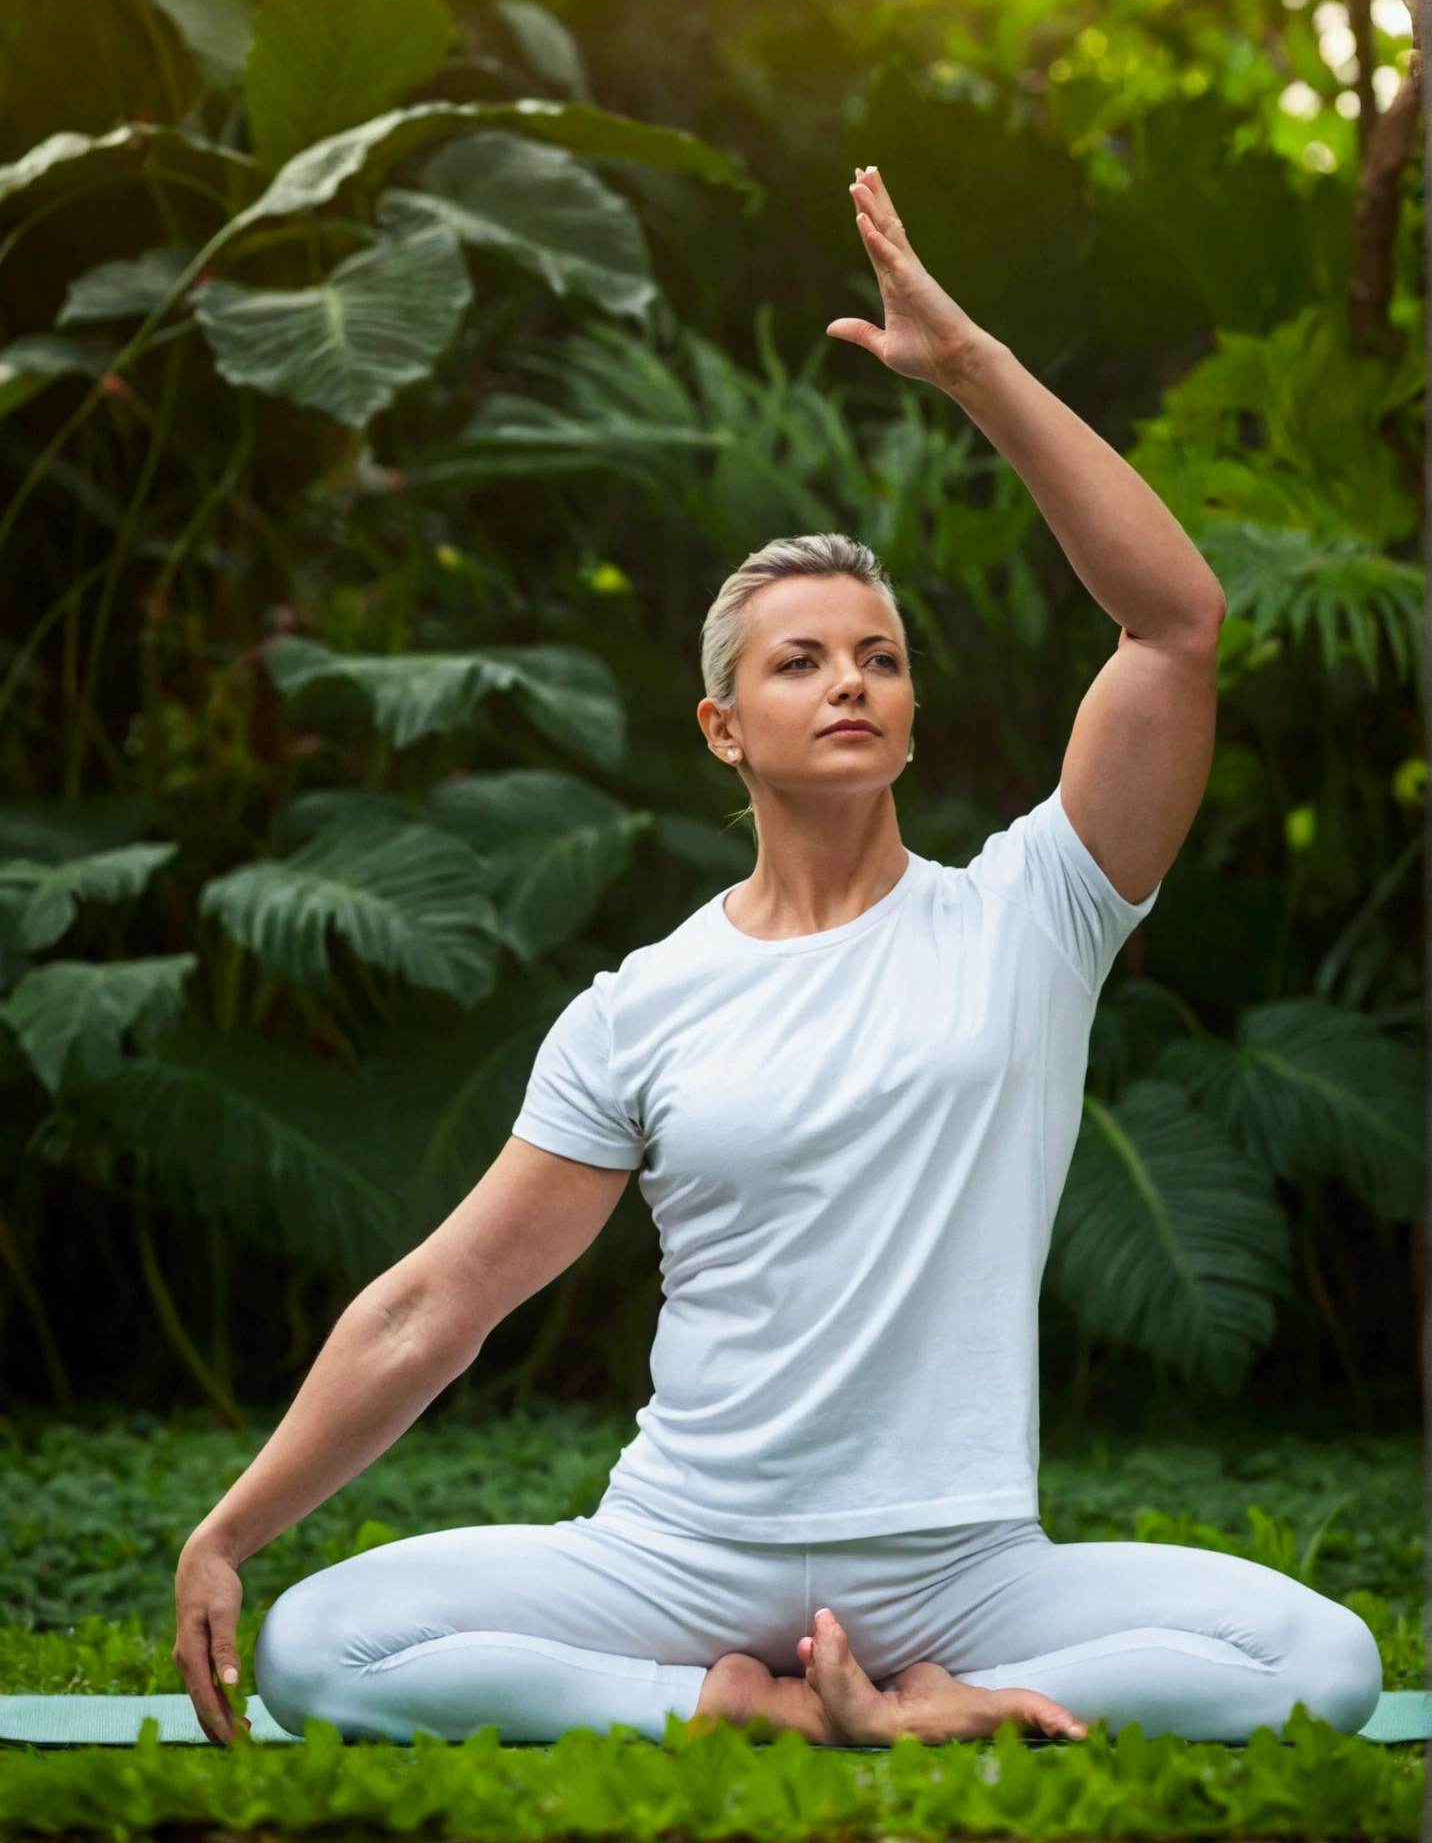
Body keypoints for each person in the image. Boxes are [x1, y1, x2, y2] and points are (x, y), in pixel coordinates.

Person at [174, 168, 1381, 1753]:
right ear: (723, 730)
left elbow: (1174, 626)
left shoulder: (1036, 913)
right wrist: (231, 1531)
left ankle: (937, 1703)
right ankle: (729, 1705)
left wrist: (970, 371)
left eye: (880, 656)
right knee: (325, 1646)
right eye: (799, 660)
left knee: (1322, 1659)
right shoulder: (642, 1006)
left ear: (910, 708)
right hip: (679, 1553)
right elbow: (443, 1301)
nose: (851, 681)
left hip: (965, 1570)